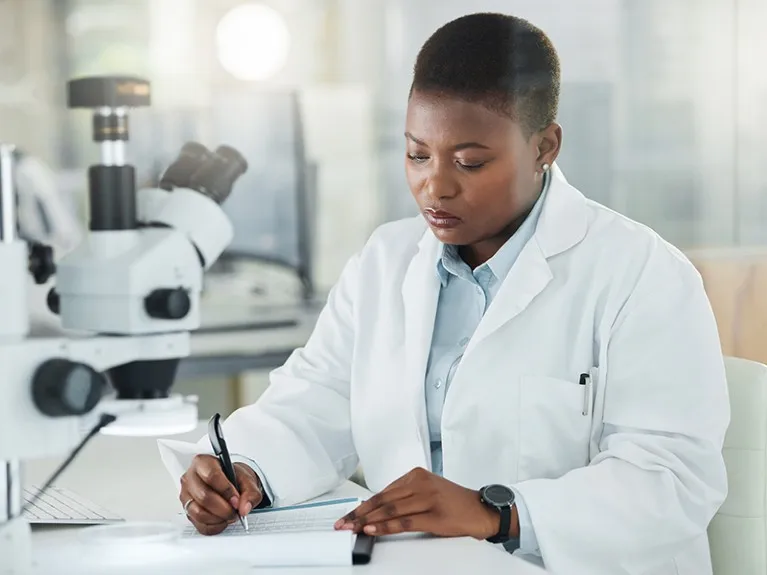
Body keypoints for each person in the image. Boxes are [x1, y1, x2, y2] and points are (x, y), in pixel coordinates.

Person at [159, 13, 729, 575]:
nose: (436, 185)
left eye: (469, 162)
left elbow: (672, 480)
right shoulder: (385, 262)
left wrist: (497, 513)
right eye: (416, 154)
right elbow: (314, 400)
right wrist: (246, 472)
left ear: (544, 147)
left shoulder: (641, 273)